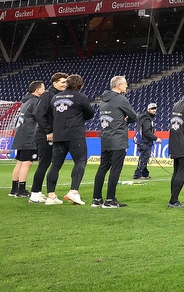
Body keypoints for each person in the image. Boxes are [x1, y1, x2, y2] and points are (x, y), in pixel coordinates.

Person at [46, 74, 95, 205]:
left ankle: (51, 195)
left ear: (67, 83)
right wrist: (78, 117)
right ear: (80, 85)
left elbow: (52, 114)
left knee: (55, 165)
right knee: (80, 161)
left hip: (58, 135)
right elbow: (91, 113)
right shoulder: (80, 96)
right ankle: (73, 192)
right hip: (74, 135)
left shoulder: (56, 97)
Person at [91, 76, 138, 208]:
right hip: (117, 138)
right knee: (116, 169)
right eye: (125, 84)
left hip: (105, 137)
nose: (126, 86)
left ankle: (97, 198)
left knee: (102, 168)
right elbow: (134, 116)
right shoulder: (120, 99)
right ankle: (110, 199)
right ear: (118, 86)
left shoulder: (103, 100)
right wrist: (127, 119)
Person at [29, 72, 68, 203]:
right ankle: (35, 193)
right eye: (62, 82)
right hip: (45, 135)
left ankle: (40, 193)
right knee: (44, 163)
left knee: (48, 163)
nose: (65, 84)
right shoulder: (47, 95)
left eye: (66, 82)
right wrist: (48, 131)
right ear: (55, 83)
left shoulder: (61, 95)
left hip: (54, 134)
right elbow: (39, 114)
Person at [9, 81, 44, 198]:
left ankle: (14, 189)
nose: (44, 90)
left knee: (20, 162)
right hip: (29, 136)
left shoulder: (25, 101)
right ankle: (21, 190)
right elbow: (39, 117)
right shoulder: (35, 101)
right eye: (43, 88)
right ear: (37, 90)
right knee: (27, 162)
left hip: (20, 135)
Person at [132, 102, 158, 180]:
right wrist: (156, 138)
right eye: (152, 109)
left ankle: (144, 173)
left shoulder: (145, 118)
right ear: (148, 109)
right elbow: (146, 132)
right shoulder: (147, 119)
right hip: (144, 142)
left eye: (155, 109)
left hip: (143, 141)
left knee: (144, 157)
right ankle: (138, 174)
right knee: (144, 158)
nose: (154, 110)